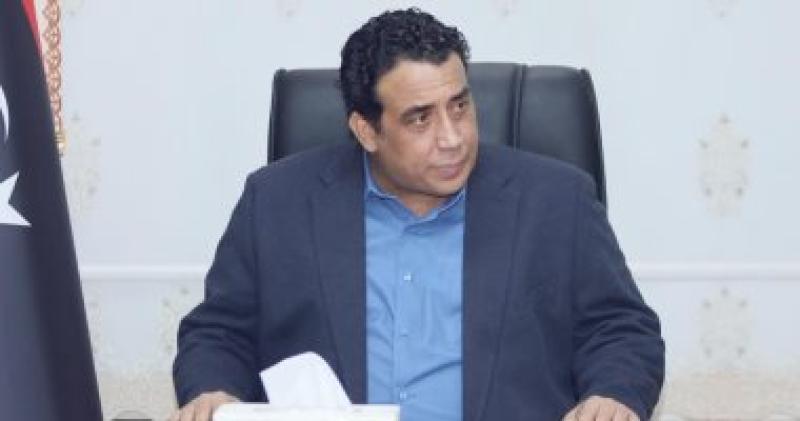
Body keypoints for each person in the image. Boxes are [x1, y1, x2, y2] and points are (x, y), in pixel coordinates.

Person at [172, 8, 664, 421]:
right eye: (420, 118)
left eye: (460, 106)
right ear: (366, 131)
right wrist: (214, 391)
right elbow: (219, 332)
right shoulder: (277, 202)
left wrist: (614, 395)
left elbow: (620, 328)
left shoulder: (556, 200)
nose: (453, 137)